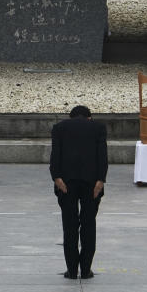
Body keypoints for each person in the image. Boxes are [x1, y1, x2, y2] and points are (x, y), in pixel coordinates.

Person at [50, 105, 108, 280]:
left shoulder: (59, 128)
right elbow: (102, 155)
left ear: (71, 117)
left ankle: (72, 270)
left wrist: (56, 177)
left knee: (70, 226)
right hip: (91, 183)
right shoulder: (98, 128)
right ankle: (85, 269)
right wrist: (101, 180)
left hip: (66, 182)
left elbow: (55, 154)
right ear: (89, 117)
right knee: (89, 224)